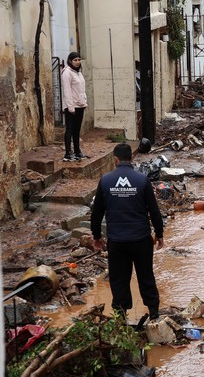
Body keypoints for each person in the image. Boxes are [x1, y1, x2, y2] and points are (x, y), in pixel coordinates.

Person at [91, 143, 165, 320]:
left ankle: (121, 317)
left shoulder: (105, 180)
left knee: (119, 280)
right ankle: (154, 312)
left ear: (115, 159)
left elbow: (97, 213)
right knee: (146, 275)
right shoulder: (142, 180)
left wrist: (96, 236)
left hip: (117, 241)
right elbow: (154, 211)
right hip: (141, 239)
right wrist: (159, 234)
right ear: (131, 158)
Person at [61, 51, 88, 161]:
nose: (77, 62)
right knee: (70, 129)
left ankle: (77, 151)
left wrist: (84, 102)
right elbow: (67, 91)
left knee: (77, 130)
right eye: (75, 60)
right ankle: (68, 152)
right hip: (71, 106)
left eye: (78, 60)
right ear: (70, 61)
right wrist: (70, 107)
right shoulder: (67, 73)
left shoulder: (78, 72)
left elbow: (82, 89)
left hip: (80, 105)